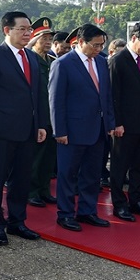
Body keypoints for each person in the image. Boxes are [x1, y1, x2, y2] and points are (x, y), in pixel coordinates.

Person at [0, 11, 48, 246]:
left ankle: (17, 221)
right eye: (22, 29)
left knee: (21, 179)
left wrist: (40, 124)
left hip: (27, 130)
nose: (28, 33)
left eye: (29, 29)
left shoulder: (31, 57)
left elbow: (38, 93)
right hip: (1, 132)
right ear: (7, 30)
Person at [49, 23, 115, 232]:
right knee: (68, 175)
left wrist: (110, 124)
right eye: (95, 45)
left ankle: (87, 211)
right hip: (72, 131)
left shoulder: (102, 62)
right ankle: (65, 214)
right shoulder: (63, 64)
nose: (98, 49)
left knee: (92, 174)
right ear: (80, 42)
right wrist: (59, 131)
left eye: (101, 45)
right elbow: (56, 101)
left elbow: (106, 96)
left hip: (98, 129)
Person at [108, 22, 140, 222]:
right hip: (125, 125)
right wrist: (117, 123)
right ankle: (119, 205)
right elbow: (113, 95)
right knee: (120, 167)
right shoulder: (118, 61)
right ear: (135, 38)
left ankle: (136, 201)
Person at [26, 17, 58, 208]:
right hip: (37, 116)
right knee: (35, 157)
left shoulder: (53, 60)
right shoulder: (30, 60)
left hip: (52, 116)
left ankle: (44, 189)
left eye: (49, 39)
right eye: (43, 38)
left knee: (49, 157)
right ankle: (32, 191)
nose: (47, 42)